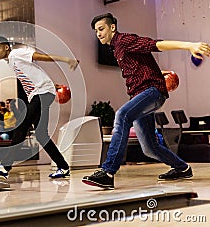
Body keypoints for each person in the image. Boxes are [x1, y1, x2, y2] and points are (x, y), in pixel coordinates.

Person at [82, 13, 210, 190]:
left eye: (101, 29)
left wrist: (189, 46)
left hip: (152, 92)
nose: (98, 34)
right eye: (96, 31)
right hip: (141, 95)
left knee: (122, 115)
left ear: (112, 27)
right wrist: (158, 72)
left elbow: (155, 44)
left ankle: (108, 172)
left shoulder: (124, 40)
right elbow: (142, 62)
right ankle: (182, 168)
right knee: (149, 147)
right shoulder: (116, 48)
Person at [0, 36, 79, 179]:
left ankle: (5, 166)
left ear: (6, 47)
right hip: (41, 93)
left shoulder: (16, 53)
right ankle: (63, 167)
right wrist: (52, 85)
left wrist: (66, 60)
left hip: (41, 93)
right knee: (41, 134)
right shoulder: (11, 61)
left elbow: (41, 57)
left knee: (22, 126)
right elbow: (34, 74)